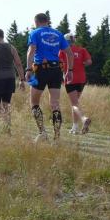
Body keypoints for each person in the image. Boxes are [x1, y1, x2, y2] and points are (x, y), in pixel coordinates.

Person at [25, 13, 75, 141]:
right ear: (47, 21)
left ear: (36, 22)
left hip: (40, 69)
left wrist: (28, 69)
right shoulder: (58, 34)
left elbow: (31, 51)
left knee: (34, 102)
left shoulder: (35, 33)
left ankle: (42, 132)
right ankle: (57, 137)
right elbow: (69, 53)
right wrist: (70, 70)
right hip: (56, 70)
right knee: (55, 104)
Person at [59, 33, 93, 134]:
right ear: (73, 40)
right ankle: (74, 127)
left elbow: (60, 64)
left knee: (74, 104)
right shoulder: (82, 50)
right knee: (75, 103)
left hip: (70, 79)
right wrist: (81, 63)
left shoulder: (62, 51)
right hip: (81, 79)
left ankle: (84, 119)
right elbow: (89, 62)